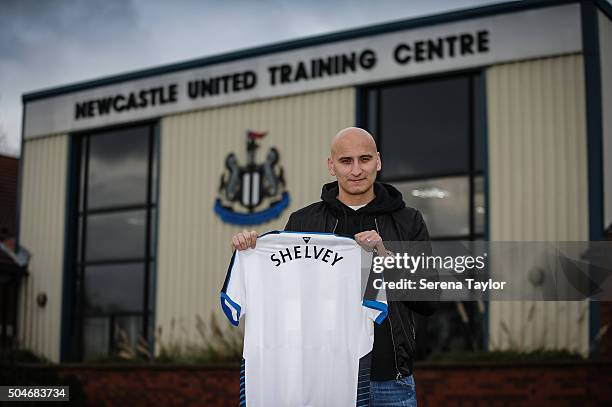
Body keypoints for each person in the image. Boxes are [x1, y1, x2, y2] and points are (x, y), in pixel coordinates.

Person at [231, 126, 438, 406]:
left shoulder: (408, 221)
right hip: (321, 378)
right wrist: (253, 251)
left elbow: (429, 298)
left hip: (388, 380)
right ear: (331, 166)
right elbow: (286, 298)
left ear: (378, 161)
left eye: (364, 159)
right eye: (346, 161)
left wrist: (386, 258)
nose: (356, 170)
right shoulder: (303, 223)